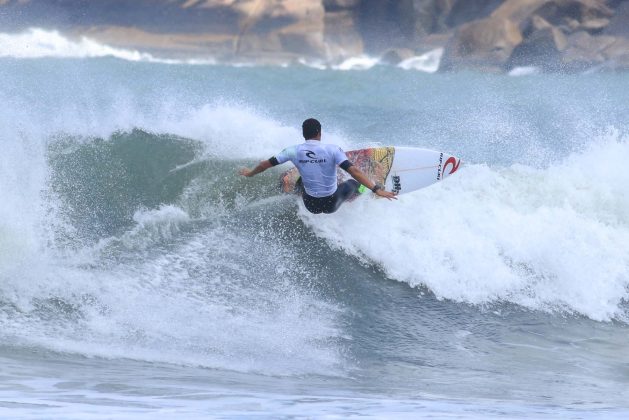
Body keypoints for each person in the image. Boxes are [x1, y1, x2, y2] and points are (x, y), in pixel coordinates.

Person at [239, 118, 397, 214]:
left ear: (303, 134)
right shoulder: (332, 150)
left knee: (300, 180)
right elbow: (354, 170)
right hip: (332, 203)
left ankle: (293, 190)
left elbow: (264, 165)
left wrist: (249, 174)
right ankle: (365, 189)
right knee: (353, 183)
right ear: (320, 133)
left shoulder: (292, 151)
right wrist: (377, 189)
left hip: (311, 205)